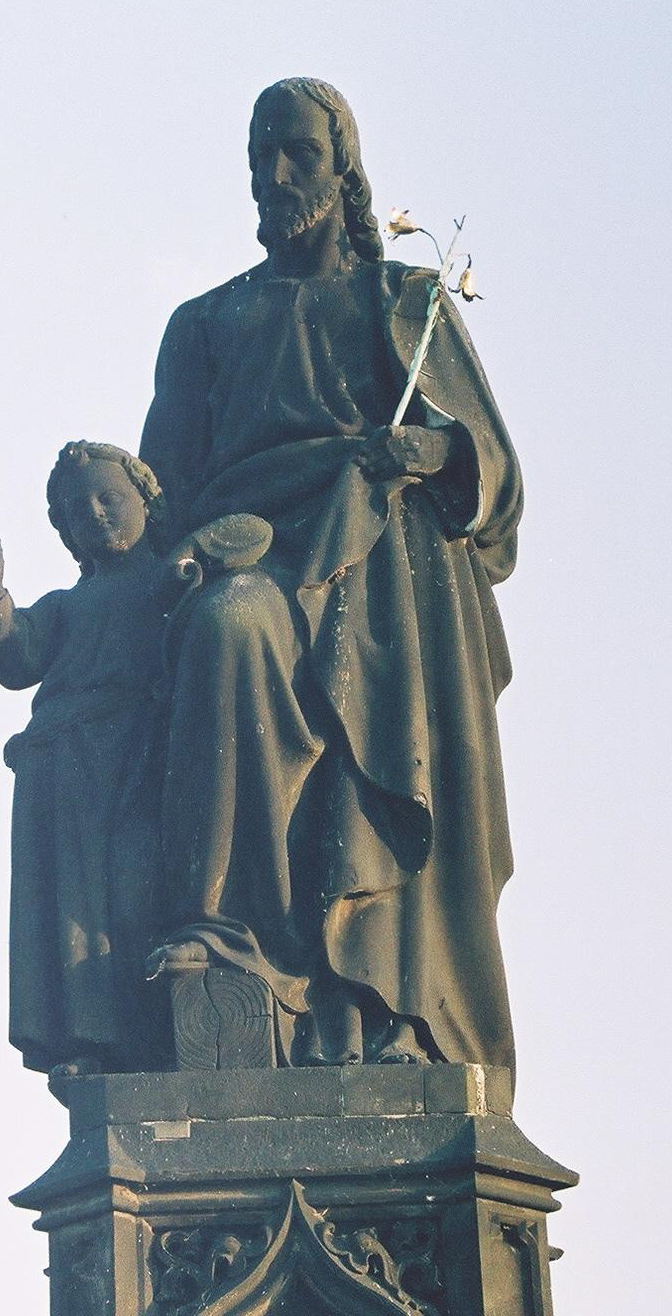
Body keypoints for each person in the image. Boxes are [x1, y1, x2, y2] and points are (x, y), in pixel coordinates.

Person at [139, 78, 524, 1073]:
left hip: (374, 561)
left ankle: (392, 1003)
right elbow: (161, 498)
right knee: (227, 626)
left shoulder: (404, 305)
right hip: (249, 549)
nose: (275, 175)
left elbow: (491, 476)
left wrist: (425, 456)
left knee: (373, 615)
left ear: (343, 166)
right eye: (261, 154)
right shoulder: (205, 325)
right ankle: (230, 951)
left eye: (299, 153)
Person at [0, 443, 169, 1077]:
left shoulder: (167, 579)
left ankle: (144, 1036)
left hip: (132, 758)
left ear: (145, 500)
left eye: (110, 499)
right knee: (71, 910)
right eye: (78, 512)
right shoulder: (66, 605)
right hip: (61, 768)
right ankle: (89, 1043)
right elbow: (17, 659)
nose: (97, 515)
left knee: (130, 898)